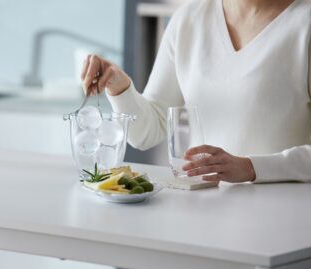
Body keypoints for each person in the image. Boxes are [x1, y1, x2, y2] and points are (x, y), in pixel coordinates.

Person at [81, 0, 311, 183]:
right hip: (203, 212)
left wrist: (252, 168)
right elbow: (146, 132)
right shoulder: (188, 19)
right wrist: (120, 87)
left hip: (285, 222)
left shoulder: (304, 22)